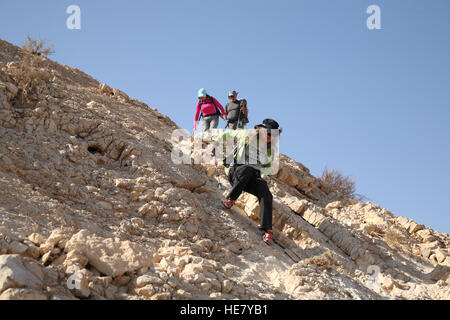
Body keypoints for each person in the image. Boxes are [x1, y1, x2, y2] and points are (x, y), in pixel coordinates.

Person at [211, 119, 282, 245]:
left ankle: (267, 230)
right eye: (269, 133)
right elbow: (227, 134)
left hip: (251, 178)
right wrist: (215, 145)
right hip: (237, 173)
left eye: (274, 135)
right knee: (247, 169)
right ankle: (230, 199)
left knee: (265, 191)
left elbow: (267, 167)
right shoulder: (247, 135)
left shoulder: (270, 149)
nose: (270, 137)